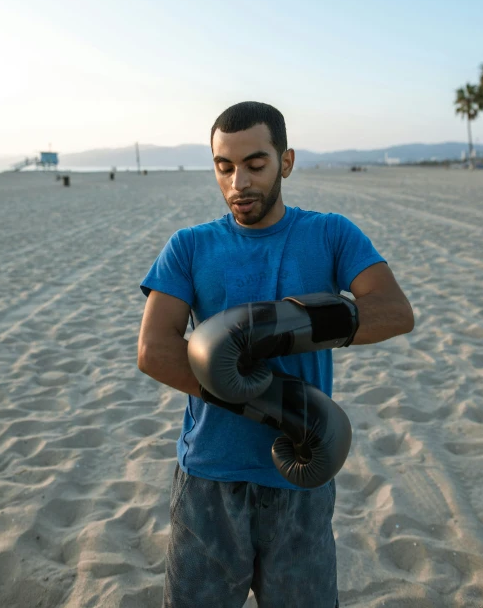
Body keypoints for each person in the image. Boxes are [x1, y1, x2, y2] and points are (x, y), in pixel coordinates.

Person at [138, 101, 414, 608]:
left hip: (303, 478)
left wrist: (284, 329)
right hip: (210, 476)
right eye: (225, 166)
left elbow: (395, 311)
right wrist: (263, 398)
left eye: (255, 164)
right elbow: (154, 351)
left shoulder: (331, 234)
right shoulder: (189, 246)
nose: (239, 181)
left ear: (285, 162)